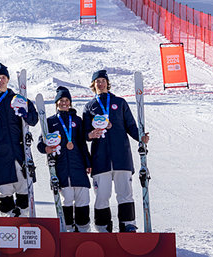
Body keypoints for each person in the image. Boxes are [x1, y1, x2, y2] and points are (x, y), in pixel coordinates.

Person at [82, 70, 150, 233]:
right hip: (100, 159)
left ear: (107, 83)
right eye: (97, 81)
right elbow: (84, 133)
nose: (100, 83)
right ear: (93, 85)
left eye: (103, 81)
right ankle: (103, 226)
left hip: (121, 157)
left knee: (125, 193)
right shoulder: (89, 106)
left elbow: (131, 126)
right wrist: (91, 134)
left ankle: (128, 224)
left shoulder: (119, 103)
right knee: (102, 195)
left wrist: (141, 137)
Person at [0, 63, 38, 217]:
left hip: (18, 152)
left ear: (8, 80)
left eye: (3, 77)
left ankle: (24, 220)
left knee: (23, 191)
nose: (1, 80)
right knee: (5, 194)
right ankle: (8, 225)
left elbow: (33, 120)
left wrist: (25, 114)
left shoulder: (18, 99)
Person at [36, 86, 91, 232]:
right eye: (61, 100)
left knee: (83, 199)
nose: (64, 103)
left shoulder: (77, 121)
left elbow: (82, 144)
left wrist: (88, 163)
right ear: (56, 103)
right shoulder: (49, 121)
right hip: (61, 168)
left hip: (78, 166)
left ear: (70, 102)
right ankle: (67, 231)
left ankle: (83, 230)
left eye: (67, 100)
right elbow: (41, 143)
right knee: (66, 200)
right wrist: (45, 148)